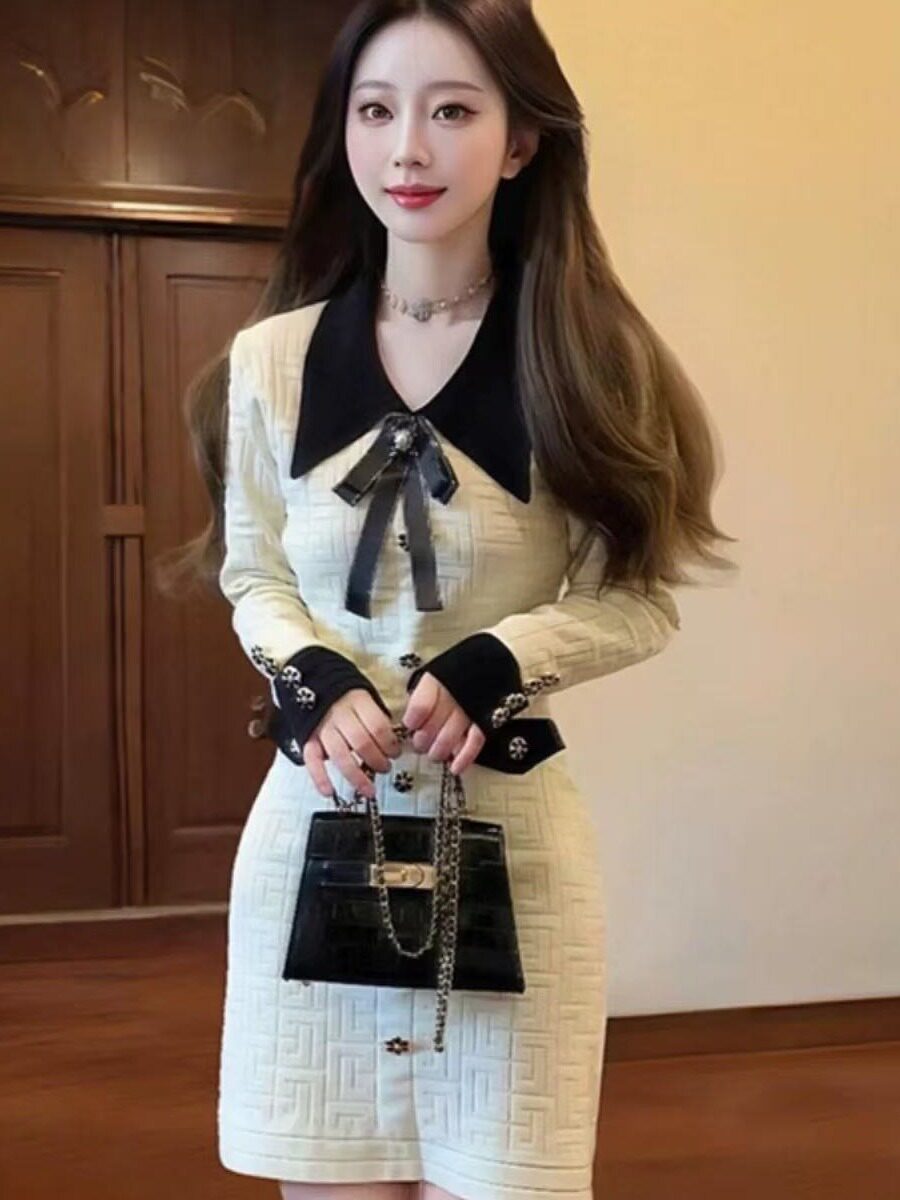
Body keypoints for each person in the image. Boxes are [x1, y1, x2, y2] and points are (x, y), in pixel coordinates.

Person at [167, 2, 736, 1198]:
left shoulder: (586, 363)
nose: (408, 149)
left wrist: (504, 657)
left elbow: (638, 600)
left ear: (521, 141)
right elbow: (254, 574)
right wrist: (312, 675)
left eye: (453, 111)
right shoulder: (272, 362)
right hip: (315, 834)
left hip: (511, 847)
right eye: (376, 110)